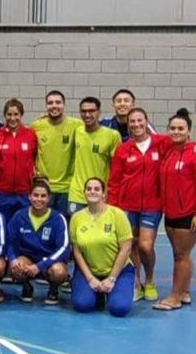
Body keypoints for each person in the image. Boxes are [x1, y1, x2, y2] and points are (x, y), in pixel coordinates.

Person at [108, 107, 168, 302]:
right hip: (128, 205)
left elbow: (180, 142)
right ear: (128, 125)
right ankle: (136, 282)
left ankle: (150, 280)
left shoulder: (160, 143)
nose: (136, 125)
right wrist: (114, 207)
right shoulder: (123, 149)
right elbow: (115, 180)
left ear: (146, 121)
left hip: (152, 205)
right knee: (131, 245)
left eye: (139, 120)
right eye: (132, 122)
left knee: (145, 245)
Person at [70, 178, 134, 317]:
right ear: (84, 193)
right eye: (89, 189)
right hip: (90, 271)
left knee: (119, 309)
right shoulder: (76, 218)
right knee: (82, 305)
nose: (92, 191)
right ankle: (97, 294)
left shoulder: (117, 215)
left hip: (119, 271)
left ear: (104, 194)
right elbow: (77, 252)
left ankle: (118, 289)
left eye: (97, 189)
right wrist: (91, 278)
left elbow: (126, 249)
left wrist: (111, 278)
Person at [155, 108, 196, 310]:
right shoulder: (168, 151)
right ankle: (185, 291)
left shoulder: (194, 153)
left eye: (181, 128)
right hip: (169, 213)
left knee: (181, 255)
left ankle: (175, 297)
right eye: (172, 128)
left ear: (189, 131)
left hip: (188, 214)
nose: (176, 131)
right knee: (180, 254)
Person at [6, 179, 70, 304]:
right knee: (16, 266)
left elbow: (63, 248)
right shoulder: (19, 216)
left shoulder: (58, 218)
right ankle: (27, 286)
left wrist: (40, 266)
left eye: (43, 196)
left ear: (49, 198)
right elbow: (9, 242)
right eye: (35, 195)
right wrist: (13, 259)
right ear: (29, 196)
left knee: (58, 271)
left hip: (50, 263)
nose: (39, 199)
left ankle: (53, 289)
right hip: (28, 260)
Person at [67, 97, 121, 216]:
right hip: (77, 193)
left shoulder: (112, 135)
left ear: (99, 112)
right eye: (84, 111)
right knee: (76, 231)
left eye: (92, 111)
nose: (87, 114)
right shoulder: (77, 130)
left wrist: (108, 192)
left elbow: (116, 168)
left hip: (99, 193)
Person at [31, 90, 82, 216]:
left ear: (64, 105)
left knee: (64, 225)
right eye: (50, 103)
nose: (54, 105)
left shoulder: (77, 125)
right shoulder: (36, 126)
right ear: (46, 106)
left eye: (58, 102)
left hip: (67, 188)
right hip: (44, 187)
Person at [0, 98, 37, 221]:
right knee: (3, 225)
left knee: (23, 226)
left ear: (21, 114)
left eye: (16, 114)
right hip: (2, 192)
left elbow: (35, 158)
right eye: (9, 114)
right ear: (5, 115)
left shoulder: (30, 135)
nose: (12, 118)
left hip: (24, 192)